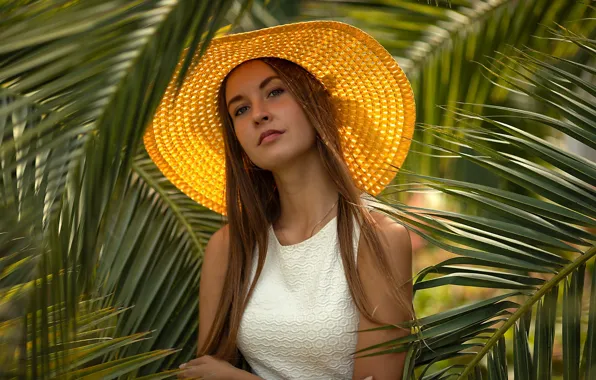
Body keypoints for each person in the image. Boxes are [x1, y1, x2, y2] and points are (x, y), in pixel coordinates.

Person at [144, 21, 416, 380]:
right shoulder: (229, 247)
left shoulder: (377, 237)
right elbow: (203, 373)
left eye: (274, 92)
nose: (258, 114)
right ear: (237, 139)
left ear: (316, 103)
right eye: (239, 110)